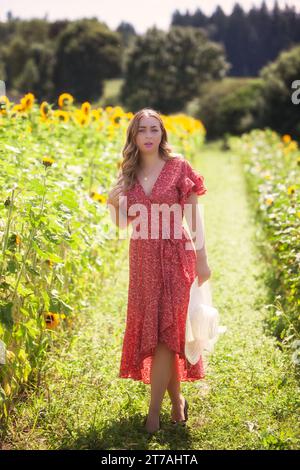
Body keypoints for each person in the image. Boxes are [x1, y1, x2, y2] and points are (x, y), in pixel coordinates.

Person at [107, 108, 211, 434]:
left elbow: (195, 217)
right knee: (156, 330)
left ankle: (153, 414)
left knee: (170, 332)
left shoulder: (179, 167)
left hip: (177, 252)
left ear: (162, 134)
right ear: (134, 137)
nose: (149, 136)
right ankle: (177, 403)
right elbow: (124, 223)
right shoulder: (129, 173)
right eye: (142, 130)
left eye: (154, 129)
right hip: (143, 257)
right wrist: (113, 203)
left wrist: (203, 259)